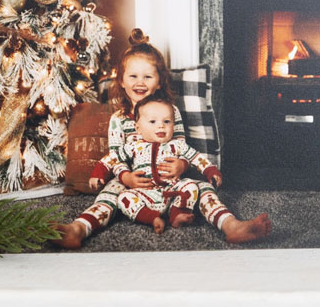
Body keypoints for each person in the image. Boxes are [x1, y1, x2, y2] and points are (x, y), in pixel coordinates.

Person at [52, 29, 272, 248]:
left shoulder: (171, 111)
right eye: (133, 76)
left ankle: (231, 226)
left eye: (148, 76)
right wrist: (126, 177)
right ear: (121, 80)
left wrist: (182, 165)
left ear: (159, 82)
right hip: (134, 184)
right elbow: (116, 156)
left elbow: (181, 146)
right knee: (110, 193)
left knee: (203, 188)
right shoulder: (119, 118)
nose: (140, 82)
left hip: (171, 182)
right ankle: (78, 229)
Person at [91, 94, 223, 234]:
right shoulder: (134, 146)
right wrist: (98, 172)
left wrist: (210, 171)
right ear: (138, 128)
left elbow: (196, 157)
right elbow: (112, 157)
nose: (161, 125)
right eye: (152, 121)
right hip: (145, 193)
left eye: (167, 121)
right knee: (124, 198)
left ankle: (178, 213)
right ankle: (151, 218)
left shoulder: (176, 145)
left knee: (190, 186)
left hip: (172, 191)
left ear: (174, 124)